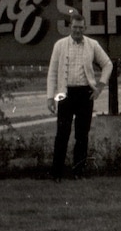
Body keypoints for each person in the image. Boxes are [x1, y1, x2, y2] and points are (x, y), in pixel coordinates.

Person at [47, 12, 113, 181]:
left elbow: (107, 64)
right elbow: (52, 72)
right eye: (74, 27)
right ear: (70, 27)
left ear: (85, 28)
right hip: (65, 94)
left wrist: (100, 86)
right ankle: (56, 173)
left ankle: (78, 172)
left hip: (85, 94)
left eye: (80, 27)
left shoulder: (92, 45)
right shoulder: (60, 45)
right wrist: (50, 97)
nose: (77, 30)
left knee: (82, 135)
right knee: (62, 134)